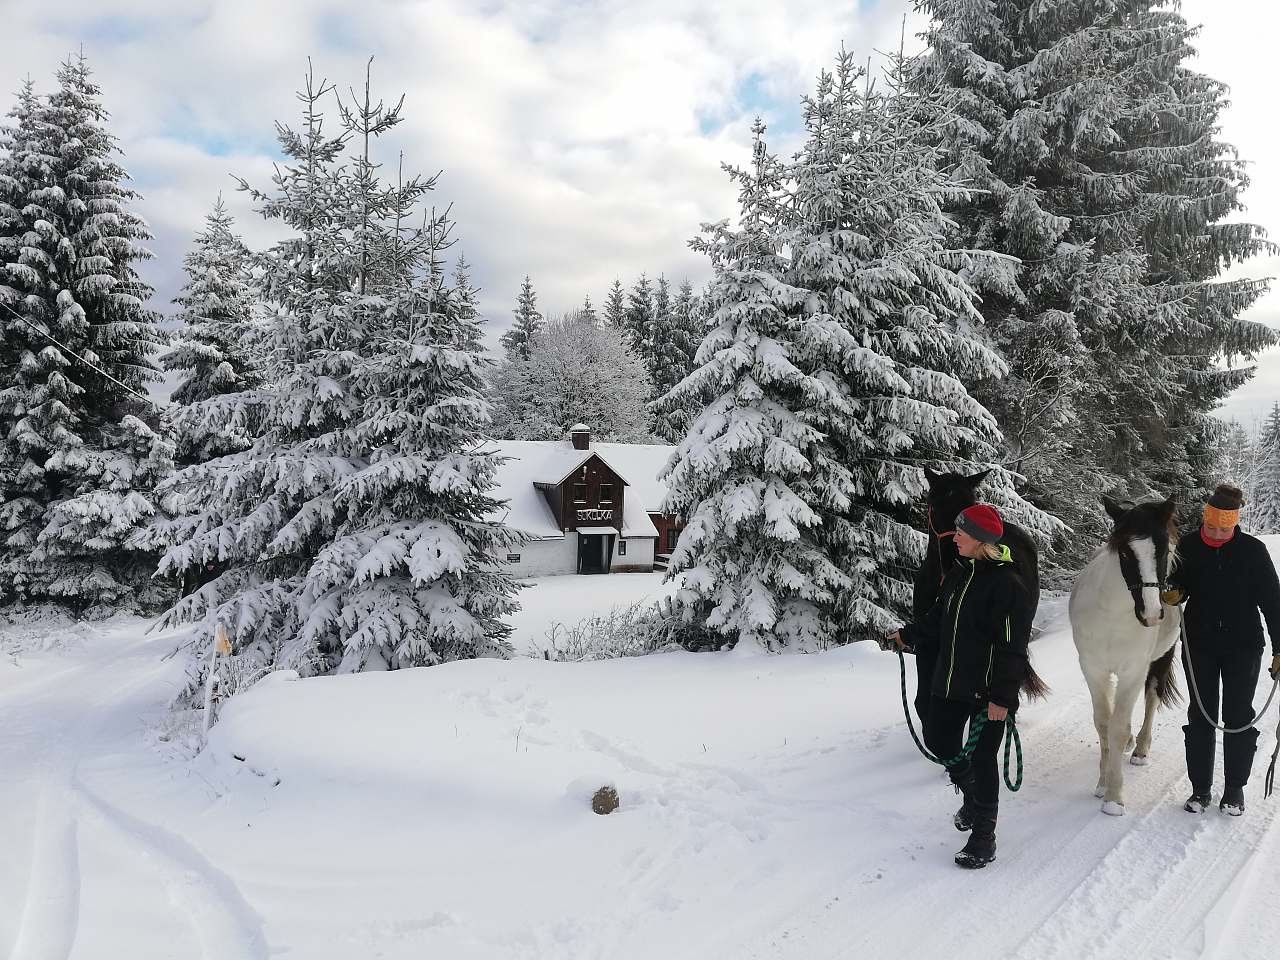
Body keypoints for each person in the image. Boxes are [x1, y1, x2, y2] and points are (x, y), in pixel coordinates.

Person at [884, 504, 1037, 869]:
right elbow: (939, 618)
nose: (955, 538)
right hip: (950, 681)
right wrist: (908, 634)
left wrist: (1003, 696)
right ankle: (968, 788)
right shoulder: (957, 572)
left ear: (981, 540)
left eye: (962, 533)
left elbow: (1013, 647)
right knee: (938, 739)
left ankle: (984, 836)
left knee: (984, 758)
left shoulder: (1007, 584)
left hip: (987, 692)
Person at [1164, 484, 1280, 816]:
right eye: (1211, 527)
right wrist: (1174, 592)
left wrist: (1279, 647)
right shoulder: (1187, 545)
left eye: (1224, 528)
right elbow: (1176, 582)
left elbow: (1272, 602)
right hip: (1199, 644)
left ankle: (1234, 789)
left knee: (1238, 714)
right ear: (1205, 520)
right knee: (1201, 714)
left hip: (1243, 646)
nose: (1216, 533)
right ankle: (1200, 789)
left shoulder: (1253, 551)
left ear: (1234, 524)